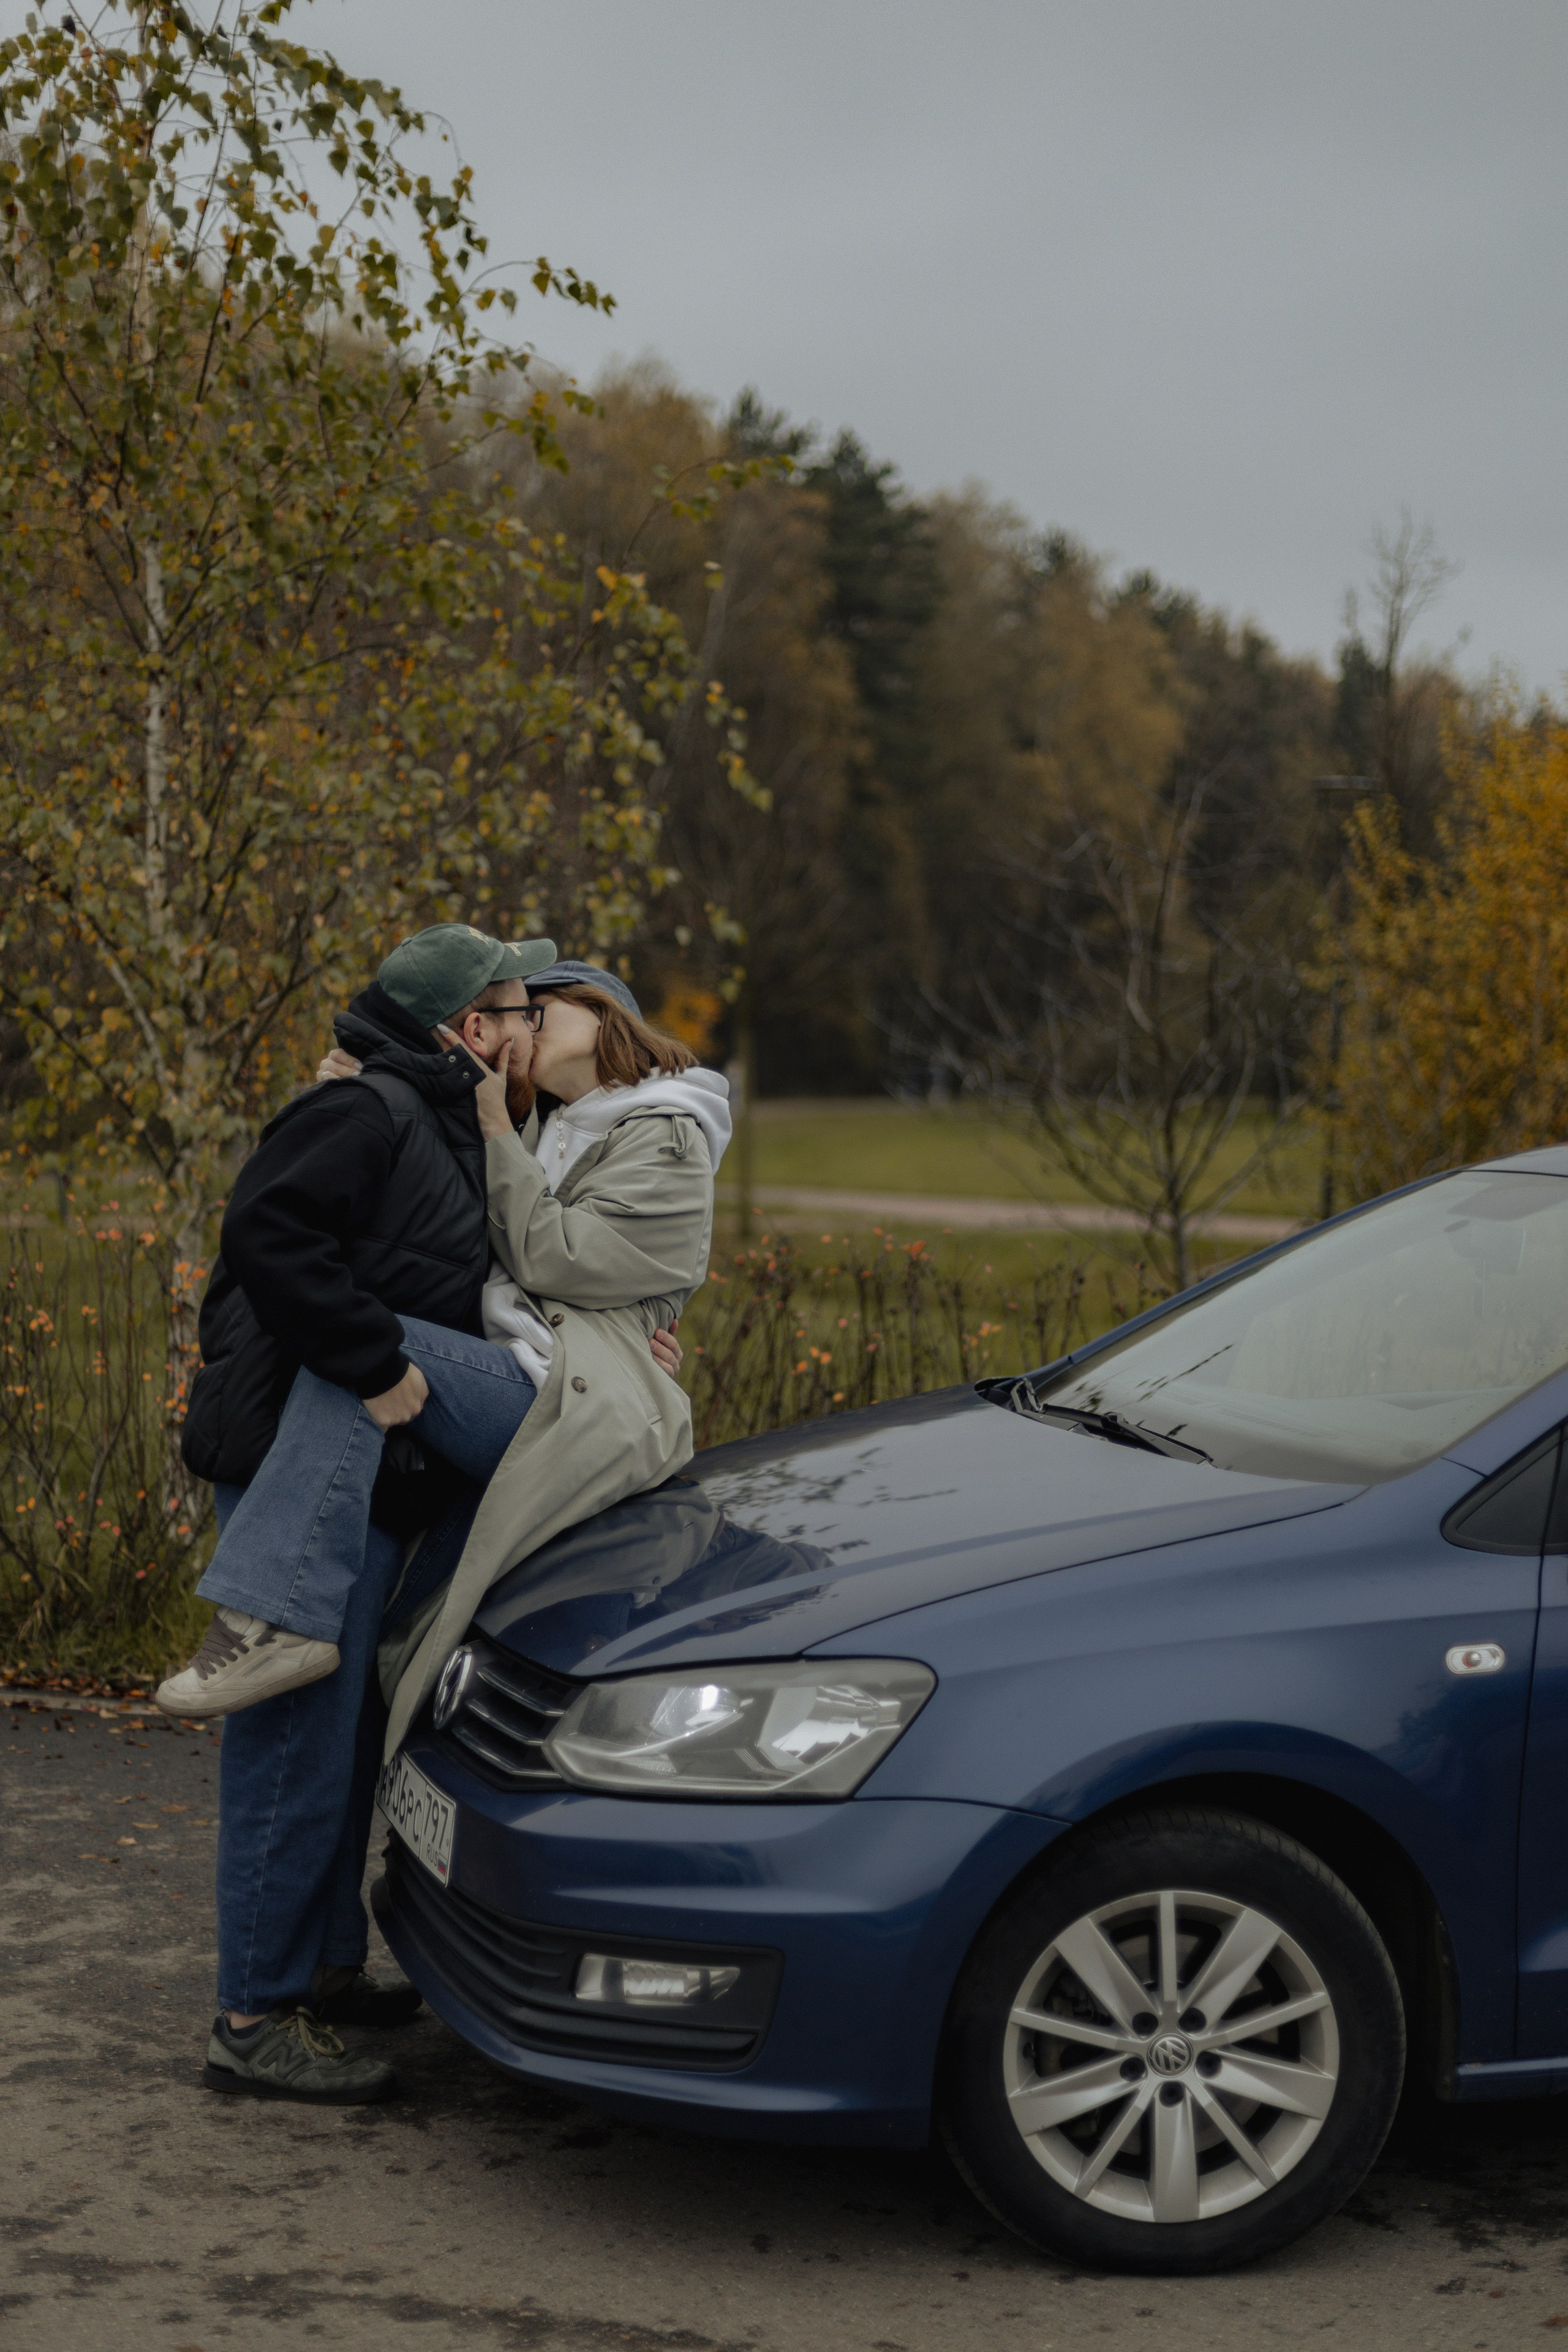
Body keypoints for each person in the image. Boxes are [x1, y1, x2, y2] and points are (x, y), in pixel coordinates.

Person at [175, 957, 727, 2103]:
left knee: (346, 1716)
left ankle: (316, 1971)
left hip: (386, 1461)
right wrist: (352, 1087)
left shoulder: (533, 1123)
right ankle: (253, 2009)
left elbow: (558, 1263)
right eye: (510, 1012)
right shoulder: (392, 1106)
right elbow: (283, 1238)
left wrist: (620, 1327)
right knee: (294, 1725)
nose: (524, 1030)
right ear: (468, 1026)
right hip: (295, 1437)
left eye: (544, 1007)